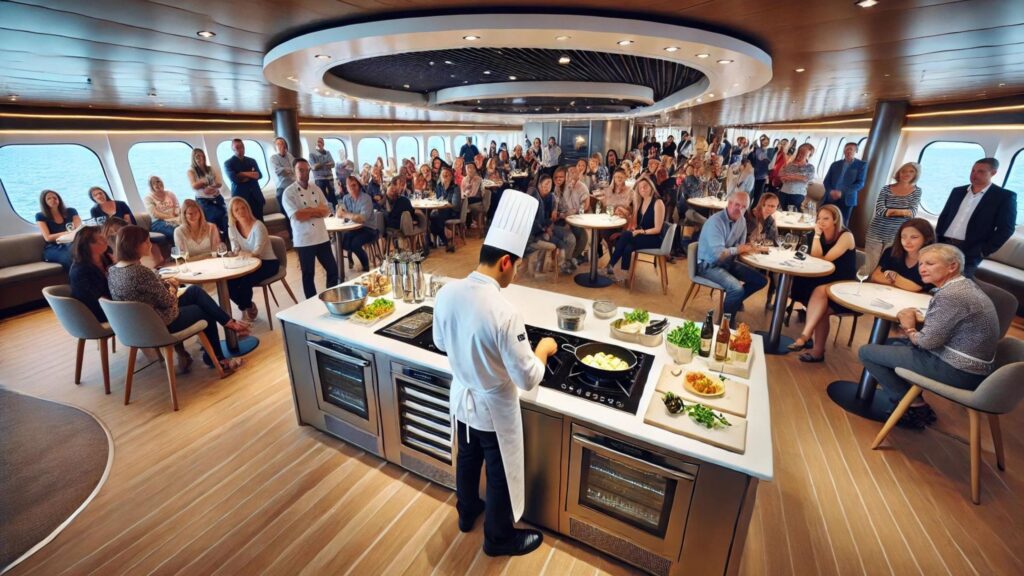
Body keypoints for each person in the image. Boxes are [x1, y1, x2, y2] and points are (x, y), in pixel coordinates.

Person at [433, 190, 557, 557]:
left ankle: (467, 511)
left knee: (467, 457)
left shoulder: (447, 292)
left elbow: (440, 342)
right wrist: (543, 350)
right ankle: (498, 538)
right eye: (517, 266)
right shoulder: (505, 313)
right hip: (493, 408)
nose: (517, 273)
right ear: (505, 262)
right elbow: (527, 377)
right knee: (499, 470)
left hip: (463, 399)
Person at [858, 244, 999, 428]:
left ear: (952, 266)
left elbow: (926, 343)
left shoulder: (952, 296)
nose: (922, 269)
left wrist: (909, 327)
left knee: (866, 352)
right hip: (973, 367)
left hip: (959, 371)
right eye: (921, 264)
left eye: (930, 264)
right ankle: (908, 397)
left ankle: (913, 405)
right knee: (890, 343)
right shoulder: (964, 286)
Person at [108, 225, 249, 373]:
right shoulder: (140, 272)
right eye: (146, 242)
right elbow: (168, 301)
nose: (150, 244)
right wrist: (173, 287)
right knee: (203, 311)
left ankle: (229, 323)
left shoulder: (113, 270)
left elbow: (147, 293)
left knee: (194, 291)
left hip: (136, 325)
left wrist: (164, 285)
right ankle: (217, 358)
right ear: (134, 245)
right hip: (158, 324)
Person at [792, 218, 934, 362]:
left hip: (913, 310)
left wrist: (894, 277)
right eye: (903, 237)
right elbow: (876, 276)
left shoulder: (931, 259)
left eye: (914, 237)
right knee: (822, 301)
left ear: (927, 238)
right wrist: (904, 283)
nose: (907, 241)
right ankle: (817, 350)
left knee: (899, 338)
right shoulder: (892, 252)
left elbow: (918, 286)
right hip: (882, 298)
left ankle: (880, 364)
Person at [934, 157, 1017, 278]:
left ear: (993, 173)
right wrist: (937, 237)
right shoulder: (957, 191)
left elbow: (1006, 229)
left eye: (980, 171)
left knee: (956, 285)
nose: (974, 174)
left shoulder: (1004, 197)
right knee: (933, 279)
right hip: (943, 244)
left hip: (970, 251)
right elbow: (944, 216)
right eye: (973, 170)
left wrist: (983, 250)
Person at [694, 190, 768, 322]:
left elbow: (740, 247)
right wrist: (739, 249)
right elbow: (718, 255)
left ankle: (733, 302)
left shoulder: (742, 221)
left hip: (727, 263)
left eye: (744, 207)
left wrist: (752, 248)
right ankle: (725, 323)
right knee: (736, 289)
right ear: (729, 203)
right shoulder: (715, 222)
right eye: (737, 205)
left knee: (761, 280)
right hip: (708, 265)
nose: (740, 209)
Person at [282, 158, 337, 299]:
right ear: (294, 171)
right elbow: (297, 216)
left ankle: (330, 298)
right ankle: (311, 303)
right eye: (300, 170)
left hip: (322, 236)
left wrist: (308, 211)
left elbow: (327, 211)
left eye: (307, 170)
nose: (304, 173)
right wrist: (316, 210)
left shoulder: (316, 188)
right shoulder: (288, 193)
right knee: (308, 275)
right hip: (304, 240)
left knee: (333, 269)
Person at [788, 204, 857, 314]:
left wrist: (817, 236)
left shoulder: (846, 236)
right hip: (824, 272)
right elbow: (816, 258)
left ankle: (812, 310)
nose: (821, 221)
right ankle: (809, 308)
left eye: (826, 218)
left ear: (835, 220)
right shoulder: (819, 232)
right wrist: (817, 235)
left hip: (840, 276)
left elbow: (825, 260)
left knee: (811, 282)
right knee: (800, 277)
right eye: (819, 218)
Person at [862, 162, 923, 275]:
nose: (907, 174)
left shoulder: (917, 191)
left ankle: (876, 283)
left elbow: (912, 213)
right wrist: (903, 212)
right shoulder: (886, 189)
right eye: (904, 171)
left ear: (915, 175)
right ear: (899, 173)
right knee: (870, 263)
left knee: (886, 265)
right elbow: (881, 210)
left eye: (911, 171)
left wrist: (891, 211)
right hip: (876, 231)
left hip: (897, 234)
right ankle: (864, 282)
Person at [226, 197, 279, 322]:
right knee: (228, 282)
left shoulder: (258, 226)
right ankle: (248, 306)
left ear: (248, 209)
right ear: (232, 214)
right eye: (236, 210)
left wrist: (241, 253)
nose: (241, 211)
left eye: (243, 208)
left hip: (267, 262)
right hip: (247, 263)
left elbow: (256, 253)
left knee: (245, 281)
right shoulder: (232, 227)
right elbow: (235, 249)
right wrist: (240, 253)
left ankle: (244, 312)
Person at [606, 175, 666, 280]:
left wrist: (641, 231)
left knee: (625, 236)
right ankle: (624, 274)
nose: (643, 189)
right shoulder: (641, 201)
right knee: (628, 246)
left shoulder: (658, 202)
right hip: (643, 235)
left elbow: (658, 229)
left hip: (655, 239)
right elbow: (634, 223)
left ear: (651, 187)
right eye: (640, 187)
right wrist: (624, 214)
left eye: (645, 186)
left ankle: (610, 265)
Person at [526, 173, 575, 273]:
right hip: (536, 232)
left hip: (549, 226)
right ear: (539, 185)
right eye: (546, 184)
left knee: (570, 238)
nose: (548, 187)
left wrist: (556, 212)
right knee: (560, 242)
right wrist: (546, 229)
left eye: (550, 184)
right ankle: (561, 264)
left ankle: (565, 262)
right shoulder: (534, 197)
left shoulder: (550, 197)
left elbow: (553, 214)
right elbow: (533, 221)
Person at [69, 226, 112, 322]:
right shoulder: (80, 271)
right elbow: (97, 299)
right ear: (88, 246)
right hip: (94, 313)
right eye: (100, 238)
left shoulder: (106, 258)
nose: (105, 240)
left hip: (109, 306)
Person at [336, 176, 379, 269]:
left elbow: (362, 219)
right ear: (346, 187)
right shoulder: (346, 198)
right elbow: (341, 213)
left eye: (354, 185)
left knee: (355, 244)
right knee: (342, 242)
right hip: (354, 228)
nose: (352, 188)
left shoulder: (366, 198)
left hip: (369, 228)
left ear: (359, 186)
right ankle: (349, 260)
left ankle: (366, 266)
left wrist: (345, 214)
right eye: (349, 186)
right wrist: (339, 211)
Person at [822, 141, 867, 225]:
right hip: (830, 197)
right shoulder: (835, 164)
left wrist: (842, 193)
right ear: (844, 151)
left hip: (847, 199)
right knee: (825, 221)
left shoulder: (861, 165)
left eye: (851, 149)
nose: (848, 151)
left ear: (856, 151)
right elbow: (826, 181)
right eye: (846, 149)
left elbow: (860, 183)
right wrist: (831, 191)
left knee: (842, 224)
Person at [35, 189, 81, 271]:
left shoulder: (71, 211)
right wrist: (67, 233)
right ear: (44, 202)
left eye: (55, 197)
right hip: (53, 247)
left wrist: (71, 234)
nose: (53, 200)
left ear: (59, 199)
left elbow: (78, 229)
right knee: (69, 257)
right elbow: (48, 238)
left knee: (85, 252)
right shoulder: (40, 216)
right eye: (49, 198)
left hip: (71, 243)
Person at [553, 167, 590, 266]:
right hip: (561, 219)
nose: (571, 174)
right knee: (575, 237)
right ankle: (569, 260)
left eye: (574, 172)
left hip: (574, 218)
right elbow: (556, 207)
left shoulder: (581, 187)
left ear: (578, 174)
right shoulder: (558, 187)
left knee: (583, 237)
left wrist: (576, 211)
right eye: (569, 173)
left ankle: (571, 258)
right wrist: (560, 214)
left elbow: (585, 205)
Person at [222, 139, 265, 222]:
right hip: (241, 198)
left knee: (260, 222)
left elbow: (259, 175)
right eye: (237, 147)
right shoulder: (228, 163)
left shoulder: (252, 161)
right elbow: (235, 179)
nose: (240, 149)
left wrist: (241, 174)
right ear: (233, 149)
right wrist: (251, 175)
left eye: (241, 147)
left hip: (256, 197)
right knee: (245, 223)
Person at [430, 168, 461, 252]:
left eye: (447, 174)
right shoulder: (439, 186)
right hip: (440, 211)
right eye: (443, 174)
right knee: (431, 216)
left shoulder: (455, 188)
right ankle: (446, 238)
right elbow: (437, 200)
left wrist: (443, 204)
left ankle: (444, 241)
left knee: (435, 217)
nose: (445, 175)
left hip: (452, 212)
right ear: (440, 176)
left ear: (451, 177)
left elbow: (455, 205)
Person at [778, 143, 816, 210]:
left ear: (809, 155)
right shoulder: (789, 164)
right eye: (800, 152)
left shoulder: (810, 167)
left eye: (804, 153)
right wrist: (795, 177)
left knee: (793, 214)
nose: (800, 155)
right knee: (781, 213)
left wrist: (792, 177)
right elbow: (781, 175)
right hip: (784, 192)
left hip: (798, 194)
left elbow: (807, 179)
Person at [269, 137, 295, 226]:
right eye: (279, 144)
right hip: (282, 188)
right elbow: (278, 172)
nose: (282, 146)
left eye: (283, 144)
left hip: (293, 186)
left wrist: (286, 169)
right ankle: (291, 233)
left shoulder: (289, 156)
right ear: (275, 147)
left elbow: (295, 168)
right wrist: (289, 170)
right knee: (287, 214)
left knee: (298, 210)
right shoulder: (273, 158)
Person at [309, 137, 337, 208]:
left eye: (321, 142)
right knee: (322, 198)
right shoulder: (312, 154)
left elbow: (333, 164)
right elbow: (314, 167)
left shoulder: (328, 153)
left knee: (332, 197)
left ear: (323, 144)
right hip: (319, 179)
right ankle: (326, 212)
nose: (319, 143)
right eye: (318, 142)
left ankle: (335, 211)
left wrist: (319, 164)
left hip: (330, 178)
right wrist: (325, 163)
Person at [749, 134, 772, 206]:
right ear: (760, 141)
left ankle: (753, 209)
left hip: (762, 177)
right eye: (763, 141)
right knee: (750, 194)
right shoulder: (756, 150)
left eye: (766, 141)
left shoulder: (769, 151)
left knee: (758, 196)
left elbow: (770, 163)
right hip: (753, 175)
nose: (765, 142)